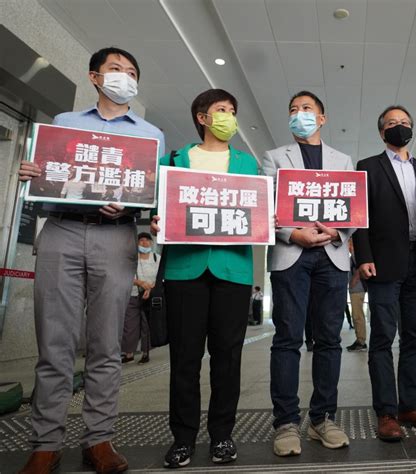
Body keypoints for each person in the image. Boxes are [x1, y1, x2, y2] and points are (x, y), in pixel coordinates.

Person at [18, 47, 164, 474]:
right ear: (95, 77)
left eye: (132, 72)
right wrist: (34, 172)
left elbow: (151, 193)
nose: (125, 77)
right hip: (62, 230)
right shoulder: (64, 125)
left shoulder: (150, 134)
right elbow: (52, 173)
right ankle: (46, 443)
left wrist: (134, 209)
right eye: (116, 70)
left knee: (106, 344)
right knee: (55, 342)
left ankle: (99, 440)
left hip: (115, 238)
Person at [151, 89, 258, 468]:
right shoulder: (175, 160)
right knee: (185, 358)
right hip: (186, 269)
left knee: (228, 357)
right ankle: (182, 438)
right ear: (202, 118)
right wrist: (155, 221)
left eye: (232, 110)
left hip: (233, 269)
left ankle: (222, 436)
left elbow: (258, 213)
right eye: (221, 110)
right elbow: (155, 208)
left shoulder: (248, 165)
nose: (228, 116)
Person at [262, 91, 353, 457]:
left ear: (322, 118)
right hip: (291, 254)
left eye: (306, 109)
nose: (299, 115)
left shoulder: (342, 160)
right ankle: (285, 422)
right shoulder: (273, 157)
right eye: (293, 110)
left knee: (329, 340)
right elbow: (267, 205)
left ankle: (322, 419)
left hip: (331, 255)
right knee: (287, 339)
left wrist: (338, 232)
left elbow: (354, 208)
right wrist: (292, 233)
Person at [353, 105, 416, 442]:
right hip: (383, 263)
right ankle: (387, 412)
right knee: (381, 338)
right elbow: (360, 216)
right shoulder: (368, 167)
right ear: (382, 132)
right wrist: (363, 256)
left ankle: (411, 405)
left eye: (405, 123)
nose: (399, 127)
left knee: (414, 338)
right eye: (392, 123)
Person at [121, 232, 160, 364]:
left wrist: (150, 288)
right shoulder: (132, 260)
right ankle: (128, 353)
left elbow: (161, 276)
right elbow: (126, 275)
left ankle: (145, 353)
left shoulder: (156, 258)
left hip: (150, 295)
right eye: (141, 241)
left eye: (147, 240)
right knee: (130, 324)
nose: (144, 243)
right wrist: (140, 283)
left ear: (151, 243)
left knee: (146, 325)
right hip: (133, 293)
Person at [346, 238, 367, 351]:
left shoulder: (355, 255)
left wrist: (353, 282)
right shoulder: (353, 255)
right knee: (356, 315)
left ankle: (361, 341)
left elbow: (359, 269)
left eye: (349, 243)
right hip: (356, 289)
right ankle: (360, 339)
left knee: (357, 315)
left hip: (357, 289)